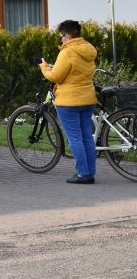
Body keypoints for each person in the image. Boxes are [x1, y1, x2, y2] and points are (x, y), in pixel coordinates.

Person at [41, 20, 98, 184]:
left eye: (61, 37)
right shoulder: (88, 50)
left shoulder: (67, 52)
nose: (61, 40)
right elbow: (74, 72)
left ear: (67, 35)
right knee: (87, 136)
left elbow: (56, 77)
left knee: (75, 138)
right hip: (87, 98)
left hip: (69, 102)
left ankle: (82, 174)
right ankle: (90, 172)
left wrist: (44, 67)